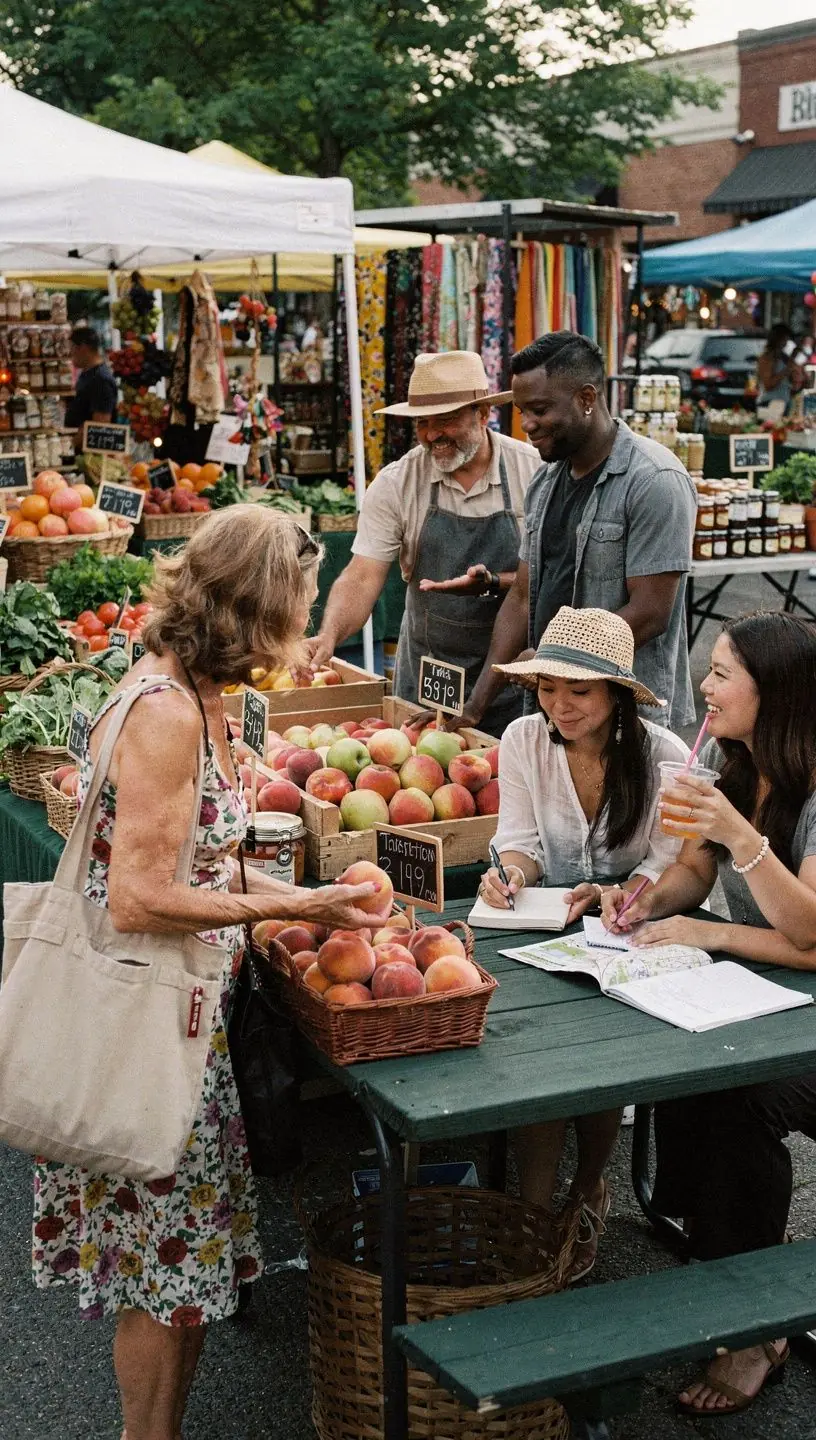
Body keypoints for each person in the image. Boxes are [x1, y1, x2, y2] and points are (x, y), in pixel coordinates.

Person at [31, 506, 390, 1440]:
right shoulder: (166, 716)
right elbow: (140, 899)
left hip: (181, 1024)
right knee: (159, 1270)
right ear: (255, 609)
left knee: (183, 1268)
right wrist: (302, 908)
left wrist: (303, 900)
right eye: (298, 606)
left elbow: (204, 865)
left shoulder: (195, 694)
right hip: (140, 1030)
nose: (303, 627)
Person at [601, 611, 816, 1416]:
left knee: (738, 1095)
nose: (705, 685)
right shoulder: (734, 766)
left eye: (723, 672)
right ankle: (719, 1255)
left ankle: (756, 1331)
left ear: (778, 692)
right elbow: (691, 874)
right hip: (769, 996)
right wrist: (647, 900)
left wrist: (729, 870)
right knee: (685, 1067)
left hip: (801, 1004)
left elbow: (808, 933)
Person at [478, 606, 689, 1279]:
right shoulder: (520, 741)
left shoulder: (664, 757)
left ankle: (589, 1185)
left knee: (597, 1067)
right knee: (537, 1065)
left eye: (579, 690)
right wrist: (508, 876)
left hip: (635, 937)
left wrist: (621, 894)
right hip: (548, 934)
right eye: (547, 688)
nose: (559, 705)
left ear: (618, 694)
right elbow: (522, 844)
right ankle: (535, 1215)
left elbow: (669, 863)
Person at [455, 331, 698, 734]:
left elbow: (652, 613)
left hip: (624, 718)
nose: (527, 425)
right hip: (552, 706)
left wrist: (554, 659)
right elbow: (521, 597)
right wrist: (475, 705)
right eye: (521, 412)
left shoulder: (655, 480)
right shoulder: (546, 480)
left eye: (539, 409)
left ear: (587, 398)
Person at [307, 350, 540, 735]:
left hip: (513, 685)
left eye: (445, 420)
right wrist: (329, 634)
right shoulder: (398, 482)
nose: (432, 435)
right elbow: (363, 575)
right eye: (422, 423)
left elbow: (553, 578)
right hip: (429, 688)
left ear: (483, 415)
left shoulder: (533, 473)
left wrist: (493, 581)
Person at [65, 324, 118, 442]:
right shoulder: (88, 374)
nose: (70, 353)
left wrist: (71, 444)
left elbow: (100, 425)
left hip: (91, 455)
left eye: (72, 348)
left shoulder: (101, 380)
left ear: (83, 348)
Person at [756, 323, 799, 412]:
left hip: (785, 402)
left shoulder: (784, 357)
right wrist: (786, 370)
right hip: (770, 402)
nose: (786, 342)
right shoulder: (767, 357)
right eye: (785, 338)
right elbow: (768, 384)